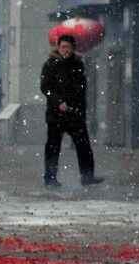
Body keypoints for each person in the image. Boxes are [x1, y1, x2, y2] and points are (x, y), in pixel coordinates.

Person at [41, 34, 103, 188]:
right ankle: (50, 178)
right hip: (56, 115)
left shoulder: (78, 64)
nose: (65, 50)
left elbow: (81, 88)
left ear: (73, 48)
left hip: (74, 114)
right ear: (58, 47)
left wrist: (78, 107)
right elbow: (45, 88)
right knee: (53, 147)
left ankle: (87, 176)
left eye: (68, 47)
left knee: (84, 146)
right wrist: (58, 102)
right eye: (63, 47)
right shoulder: (50, 64)